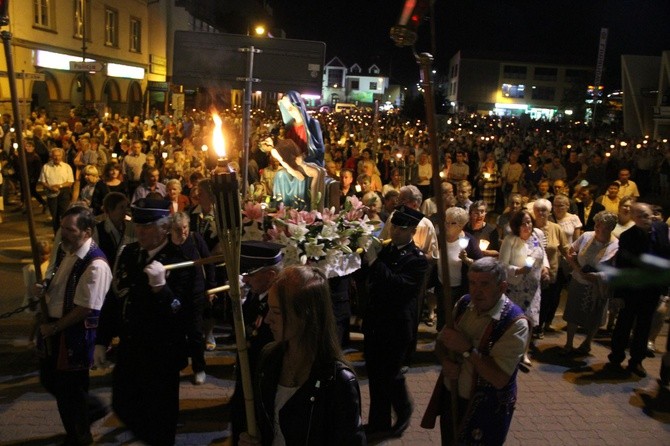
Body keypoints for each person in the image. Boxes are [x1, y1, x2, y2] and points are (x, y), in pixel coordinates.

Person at [94, 198, 195, 445]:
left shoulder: (179, 260)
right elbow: (114, 298)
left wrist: (162, 289)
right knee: (122, 403)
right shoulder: (129, 254)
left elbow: (181, 312)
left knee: (160, 419)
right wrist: (101, 340)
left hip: (161, 353)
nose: (139, 231)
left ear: (164, 228)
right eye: (137, 225)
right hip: (131, 347)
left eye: (147, 226)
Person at [238, 265, 366, 446]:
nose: (267, 320)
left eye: (276, 312)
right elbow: (267, 424)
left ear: (306, 316)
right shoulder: (269, 357)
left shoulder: (338, 381)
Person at [421, 257, 529, 446]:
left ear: (502, 287)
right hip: (452, 397)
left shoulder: (514, 323)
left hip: (486, 409)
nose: (476, 290)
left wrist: (467, 349)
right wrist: (445, 360)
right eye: (472, 283)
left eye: (485, 284)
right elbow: (442, 344)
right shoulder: (464, 304)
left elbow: (499, 378)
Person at [37, 206, 112, 445]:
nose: (63, 234)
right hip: (55, 327)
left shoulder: (96, 264)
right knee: (51, 380)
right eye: (62, 228)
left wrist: (55, 328)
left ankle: (79, 436)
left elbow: (86, 308)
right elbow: (57, 276)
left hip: (74, 335)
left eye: (70, 230)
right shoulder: (66, 250)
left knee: (70, 391)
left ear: (87, 231)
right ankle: (90, 411)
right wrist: (45, 285)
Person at [363, 205, 429, 439]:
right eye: (393, 226)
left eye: (401, 228)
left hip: (396, 326)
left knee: (389, 374)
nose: (395, 231)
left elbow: (398, 286)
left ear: (412, 230)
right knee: (375, 375)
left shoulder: (417, 259)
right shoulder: (387, 250)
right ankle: (378, 423)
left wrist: (375, 262)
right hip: (375, 322)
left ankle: (403, 409)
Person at [605, 203, 670, 378]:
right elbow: (622, 266)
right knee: (624, 324)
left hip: (652, 289)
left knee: (644, 325)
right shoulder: (627, 237)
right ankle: (616, 358)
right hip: (631, 289)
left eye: (647, 215)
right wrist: (618, 295)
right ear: (633, 218)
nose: (644, 219)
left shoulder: (662, 229)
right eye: (639, 216)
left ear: (653, 214)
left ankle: (636, 361)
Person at [231, 241, 284, 445]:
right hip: (248, 381)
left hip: (262, 389)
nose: (244, 278)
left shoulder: (277, 305)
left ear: (270, 275)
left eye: (250, 273)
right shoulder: (257, 296)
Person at [562, 211, 619, 355]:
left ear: (611, 228)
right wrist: (578, 269)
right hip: (579, 280)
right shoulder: (586, 236)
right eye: (596, 224)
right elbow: (570, 252)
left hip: (598, 285)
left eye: (603, 226)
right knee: (573, 312)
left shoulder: (616, 245)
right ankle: (569, 343)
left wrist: (597, 277)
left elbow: (615, 269)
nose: (598, 228)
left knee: (595, 314)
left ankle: (587, 343)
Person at [169, 212, 216, 386]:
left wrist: (211, 287)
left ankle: (199, 368)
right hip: (175, 296)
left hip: (195, 294)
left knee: (195, 333)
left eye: (185, 228)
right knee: (176, 332)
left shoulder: (195, 239)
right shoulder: (167, 243)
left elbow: (208, 262)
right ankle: (180, 363)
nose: (183, 232)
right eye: (178, 229)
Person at [498, 209, 549, 368]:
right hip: (515, 287)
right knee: (513, 319)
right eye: (523, 224)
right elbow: (502, 265)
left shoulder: (537, 235)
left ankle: (524, 352)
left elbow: (543, 254)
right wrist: (518, 270)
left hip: (533, 287)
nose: (527, 226)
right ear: (516, 226)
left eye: (529, 222)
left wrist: (545, 269)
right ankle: (510, 350)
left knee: (530, 320)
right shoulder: (510, 240)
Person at [93, 192, 135, 266]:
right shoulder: (98, 230)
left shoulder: (129, 227)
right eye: (121, 207)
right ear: (110, 209)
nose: (125, 211)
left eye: (126, 207)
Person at [39, 147, 74, 233]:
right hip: (51, 192)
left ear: (62, 156)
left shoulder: (67, 167)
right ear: (51, 156)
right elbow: (42, 181)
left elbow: (70, 181)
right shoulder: (46, 167)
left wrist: (60, 186)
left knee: (64, 214)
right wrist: (50, 187)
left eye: (59, 156)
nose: (57, 158)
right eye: (55, 156)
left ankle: (66, 233)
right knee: (54, 216)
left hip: (64, 192)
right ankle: (57, 234)